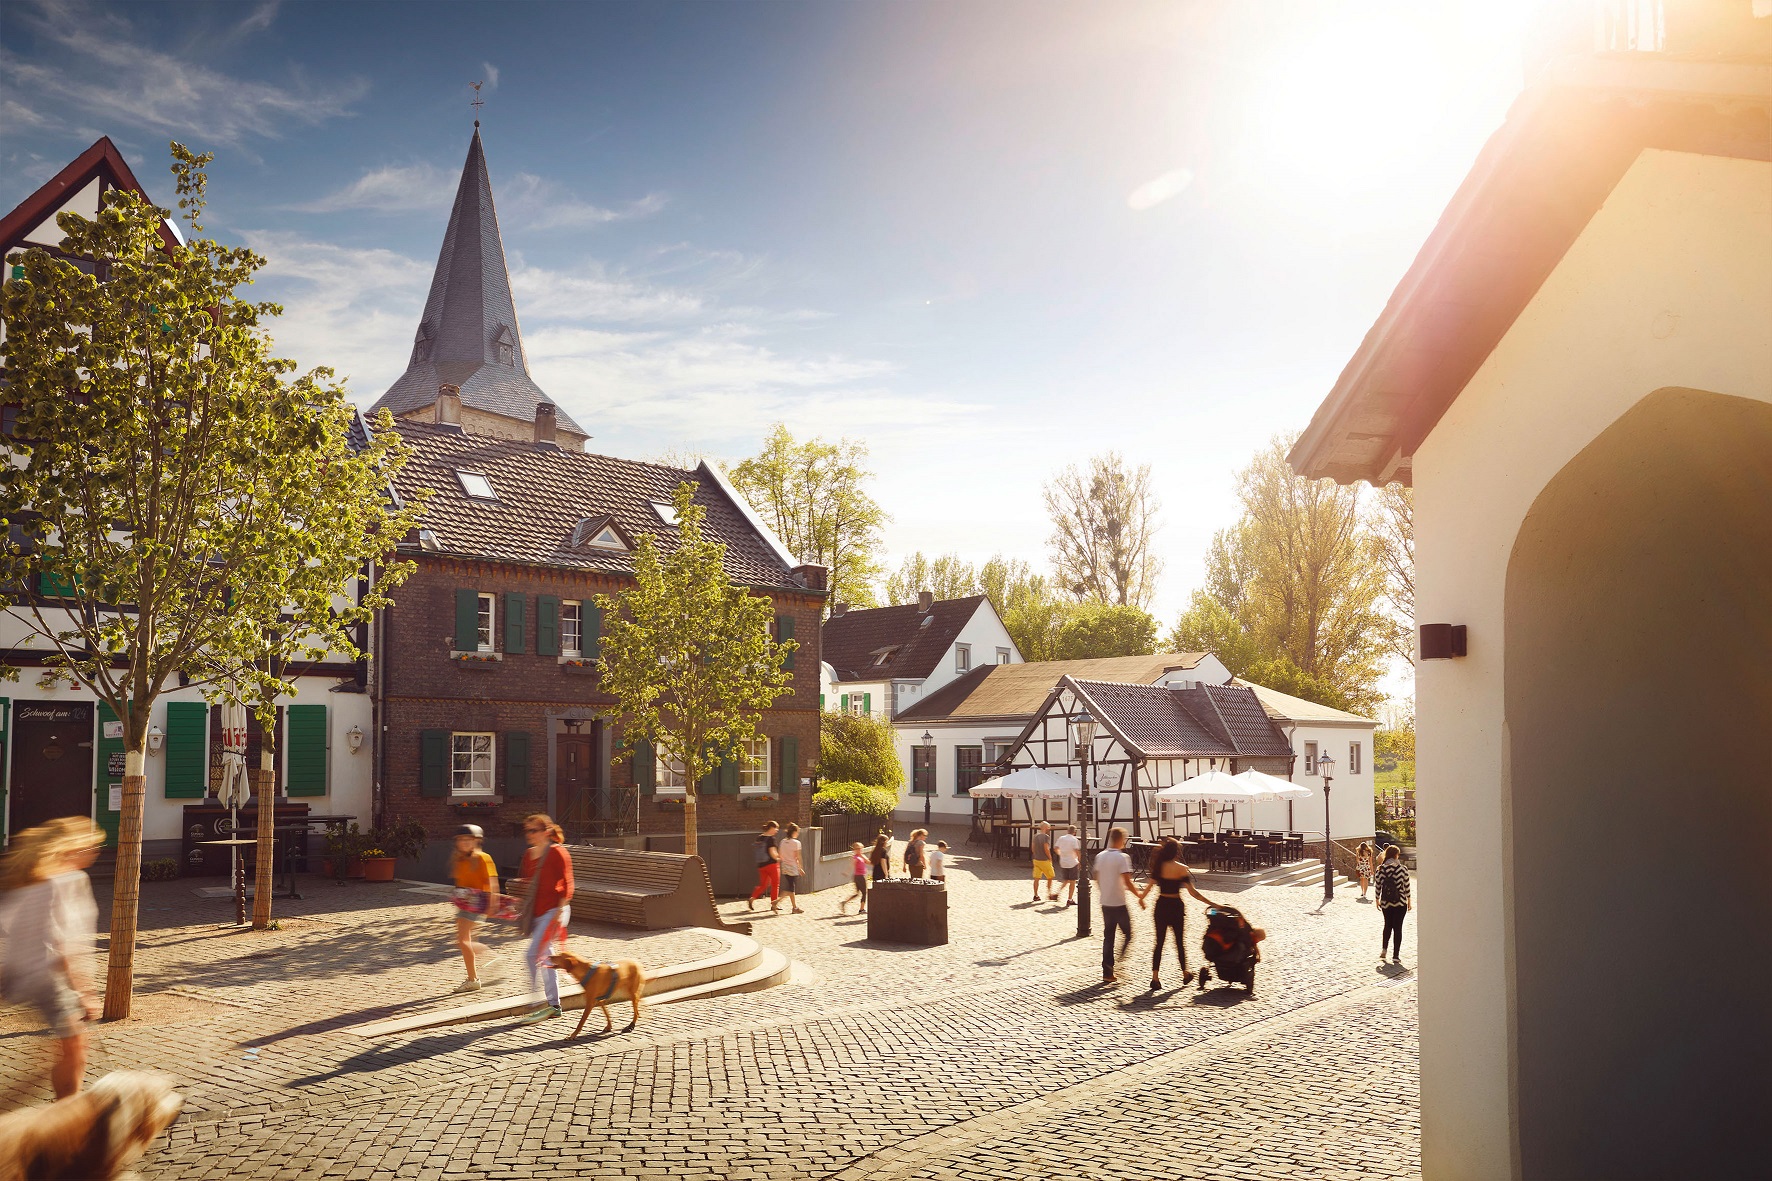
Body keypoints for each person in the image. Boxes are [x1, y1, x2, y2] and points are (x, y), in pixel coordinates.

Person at [0, 817, 104, 1098]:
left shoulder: (31, 878)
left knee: (67, 1045)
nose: (96, 852)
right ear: (76, 848)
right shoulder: (69, 880)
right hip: (47, 976)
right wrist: (84, 992)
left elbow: (7, 922)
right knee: (75, 1048)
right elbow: (65, 942)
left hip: (17, 970)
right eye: (93, 846)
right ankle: (67, 1118)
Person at [513, 814, 573, 1024]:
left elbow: (568, 885)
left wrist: (557, 913)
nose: (529, 835)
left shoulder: (558, 852)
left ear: (546, 831)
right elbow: (530, 885)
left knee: (531, 954)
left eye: (534, 830)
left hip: (556, 911)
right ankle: (554, 1005)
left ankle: (535, 1001)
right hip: (538, 913)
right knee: (546, 958)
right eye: (527, 831)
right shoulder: (529, 855)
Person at [1140, 836, 1213, 991]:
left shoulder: (1159, 866)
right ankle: (1185, 973)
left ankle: (1155, 978)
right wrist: (1212, 903)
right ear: (1176, 852)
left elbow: (1149, 886)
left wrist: (1141, 899)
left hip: (1161, 906)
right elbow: (1193, 893)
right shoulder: (1181, 868)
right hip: (1176, 907)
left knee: (1159, 943)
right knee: (1179, 942)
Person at [449, 824, 500, 993]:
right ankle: (483, 967)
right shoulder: (460, 859)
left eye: (468, 839)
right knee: (467, 942)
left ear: (476, 841)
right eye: (461, 840)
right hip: (465, 903)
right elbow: (461, 883)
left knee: (463, 941)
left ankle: (473, 979)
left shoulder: (483, 858)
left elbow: (492, 882)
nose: (464, 843)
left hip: (478, 903)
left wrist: (493, 904)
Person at [1094, 827, 1143, 984]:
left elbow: (1096, 876)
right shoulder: (1122, 858)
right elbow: (1128, 882)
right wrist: (1140, 896)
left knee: (1108, 937)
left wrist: (1104, 890)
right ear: (1120, 839)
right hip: (1119, 903)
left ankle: (1107, 971)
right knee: (1128, 934)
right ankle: (1120, 962)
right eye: (1124, 839)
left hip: (1106, 902)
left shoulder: (1100, 856)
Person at [1374, 845, 1413, 963]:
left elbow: (1378, 886)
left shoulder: (1380, 869)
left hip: (1386, 902)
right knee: (1398, 928)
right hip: (1400, 902)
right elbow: (1406, 886)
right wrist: (1409, 900)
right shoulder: (1403, 869)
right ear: (1396, 855)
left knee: (1387, 925)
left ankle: (1384, 949)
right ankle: (1396, 956)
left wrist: (1377, 899)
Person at [748, 821, 782, 912]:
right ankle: (774, 904)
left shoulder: (759, 837)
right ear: (771, 828)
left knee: (763, 885)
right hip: (771, 865)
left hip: (761, 865)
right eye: (776, 828)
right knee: (775, 884)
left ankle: (752, 898)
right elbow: (772, 853)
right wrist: (779, 858)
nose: (777, 830)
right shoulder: (771, 839)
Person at [779, 823, 805, 914]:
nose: (798, 834)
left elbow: (780, 855)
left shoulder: (782, 842)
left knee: (791, 887)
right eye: (797, 832)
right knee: (790, 889)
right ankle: (776, 902)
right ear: (794, 832)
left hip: (784, 866)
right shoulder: (796, 843)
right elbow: (798, 857)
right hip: (792, 867)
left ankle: (794, 907)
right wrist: (800, 868)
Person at [1054, 824, 1082, 906]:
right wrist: (1080, 861)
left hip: (1063, 862)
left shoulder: (1061, 838)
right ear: (1075, 832)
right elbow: (1077, 850)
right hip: (1072, 862)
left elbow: (1055, 848)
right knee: (1072, 881)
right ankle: (1070, 899)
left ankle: (1058, 893)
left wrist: (1061, 854)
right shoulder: (1074, 840)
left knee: (1066, 880)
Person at [1029, 821, 1056, 902]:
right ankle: (1049, 893)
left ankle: (1035, 895)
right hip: (1044, 860)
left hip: (1036, 859)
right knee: (1050, 876)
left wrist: (1036, 854)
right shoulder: (1046, 837)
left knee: (1036, 878)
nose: (1049, 829)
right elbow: (1046, 848)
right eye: (1048, 827)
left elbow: (1033, 848)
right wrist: (1050, 857)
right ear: (1045, 828)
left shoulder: (1035, 836)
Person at [840, 842, 869, 913]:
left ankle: (844, 902)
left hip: (860, 876)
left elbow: (868, 862)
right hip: (859, 876)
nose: (860, 850)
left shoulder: (861, 856)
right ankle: (861, 909)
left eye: (861, 848)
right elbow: (851, 866)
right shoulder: (855, 858)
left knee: (857, 893)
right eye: (858, 849)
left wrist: (862, 855)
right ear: (855, 850)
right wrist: (846, 872)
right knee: (864, 893)